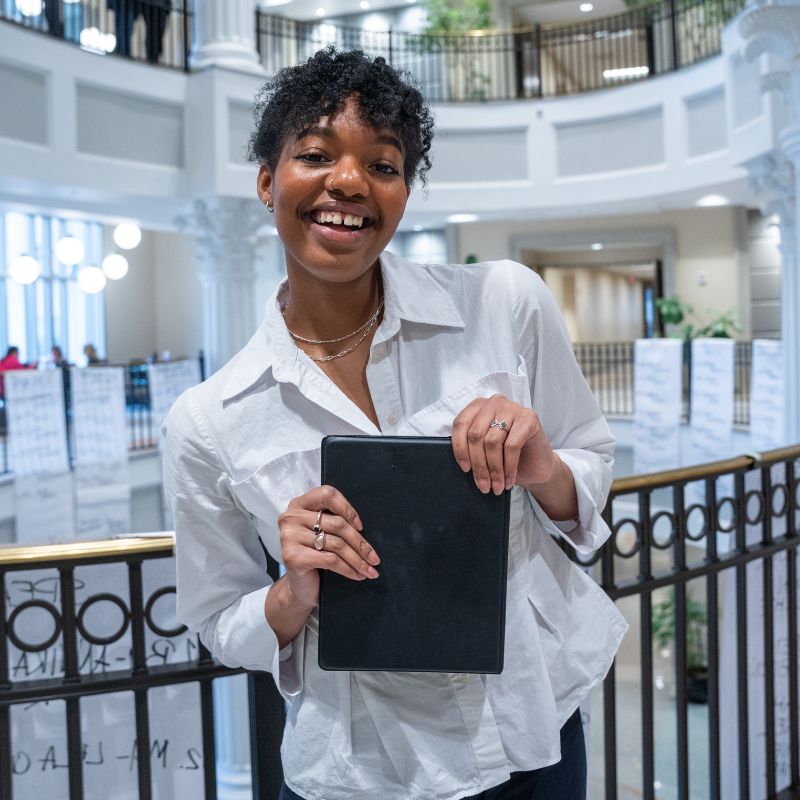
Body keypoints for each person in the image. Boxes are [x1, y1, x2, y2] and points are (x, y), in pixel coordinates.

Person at [164, 48, 627, 800]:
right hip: (364, 766)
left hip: (533, 727)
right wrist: (295, 587)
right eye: (315, 154)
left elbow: (590, 466)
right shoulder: (211, 419)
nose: (348, 182)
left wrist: (543, 465)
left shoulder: (504, 305)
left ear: (405, 193)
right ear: (266, 182)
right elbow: (220, 618)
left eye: (383, 166)